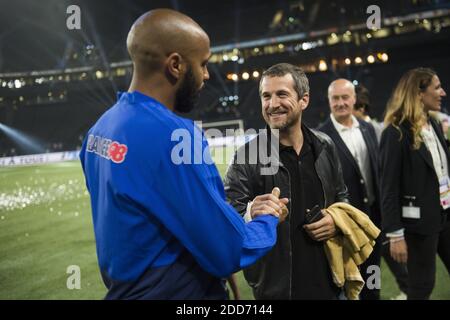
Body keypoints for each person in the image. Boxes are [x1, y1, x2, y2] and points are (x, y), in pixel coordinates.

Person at [79, 9, 288, 300]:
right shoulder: (176, 137)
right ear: (175, 65)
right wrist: (266, 219)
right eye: (202, 64)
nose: (205, 75)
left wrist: (244, 214)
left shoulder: (99, 131)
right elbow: (227, 249)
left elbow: (161, 218)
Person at [224, 63, 349, 299]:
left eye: (282, 94)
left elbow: (342, 196)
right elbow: (225, 222)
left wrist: (336, 220)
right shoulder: (246, 157)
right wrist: (251, 213)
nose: (272, 104)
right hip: (276, 290)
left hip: (331, 282)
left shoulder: (325, 146)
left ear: (304, 100)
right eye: (266, 96)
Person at [380, 67, 450, 299]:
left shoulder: (435, 125)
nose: (443, 93)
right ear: (419, 94)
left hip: (445, 215)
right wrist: (395, 235)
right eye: (437, 87)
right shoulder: (395, 132)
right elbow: (388, 188)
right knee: (421, 287)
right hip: (418, 225)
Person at [318, 79, 381, 300]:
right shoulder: (320, 137)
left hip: (372, 221)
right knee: (349, 284)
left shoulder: (368, 128)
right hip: (344, 226)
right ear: (329, 101)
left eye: (345, 97)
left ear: (354, 99)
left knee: (373, 279)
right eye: (336, 98)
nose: (341, 103)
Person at [353, 83, 409, 299]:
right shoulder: (365, 130)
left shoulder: (377, 131)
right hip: (366, 212)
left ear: (361, 108)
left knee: (384, 257)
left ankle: (408, 289)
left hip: (378, 211)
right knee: (371, 262)